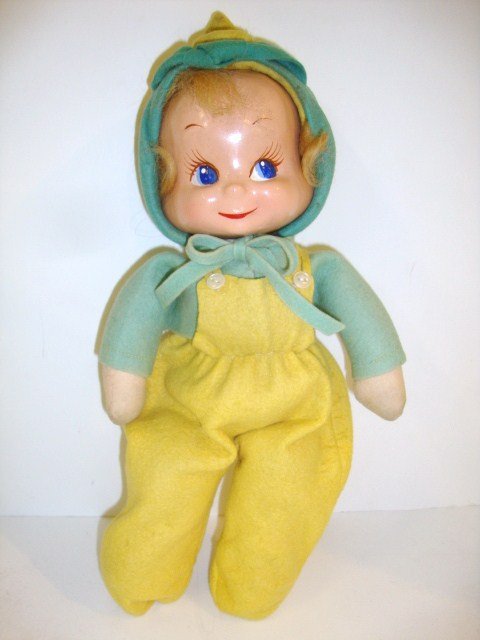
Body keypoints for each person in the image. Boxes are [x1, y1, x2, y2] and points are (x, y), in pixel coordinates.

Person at [98, 12, 406, 620]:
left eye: (265, 168)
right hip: (190, 396)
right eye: (205, 174)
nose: (236, 192)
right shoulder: (169, 272)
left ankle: (253, 583)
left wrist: (377, 371)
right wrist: (124, 380)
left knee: (288, 489)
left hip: (294, 401)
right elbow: (135, 320)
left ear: (309, 167)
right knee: (166, 474)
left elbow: (362, 317)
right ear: (161, 184)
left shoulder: (319, 268)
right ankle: (142, 570)